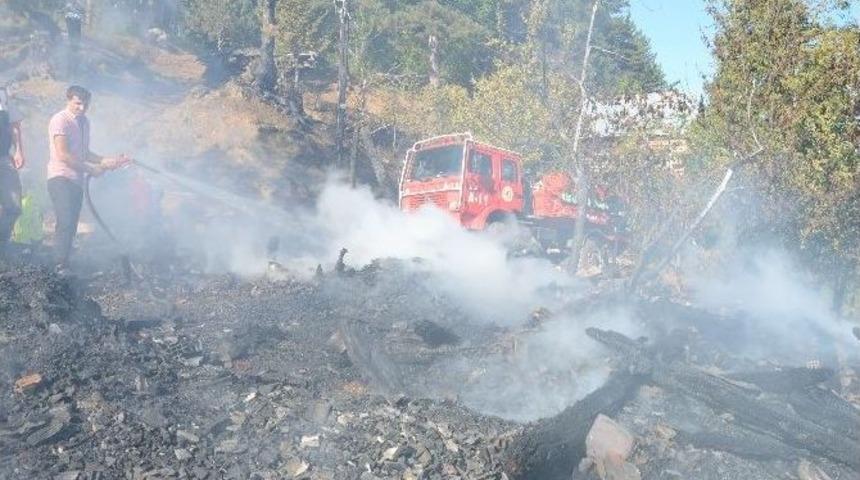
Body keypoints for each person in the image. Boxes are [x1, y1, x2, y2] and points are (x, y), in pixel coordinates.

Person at [48, 85, 130, 270]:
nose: (82, 108)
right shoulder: (60, 120)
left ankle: (64, 263)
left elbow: (83, 153)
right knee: (66, 220)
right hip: (60, 177)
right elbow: (64, 155)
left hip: (76, 180)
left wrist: (107, 160)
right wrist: (91, 170)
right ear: (68, 100)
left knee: (72, 223)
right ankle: (59, 266)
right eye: (78, 103)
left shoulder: (84, 122)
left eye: (85, 104)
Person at [0, 87, 25, 258]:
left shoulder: (3, 93)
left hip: (3, 157)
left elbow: (14, 126)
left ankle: (2, 243)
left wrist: (19, 151)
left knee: (14, 206)